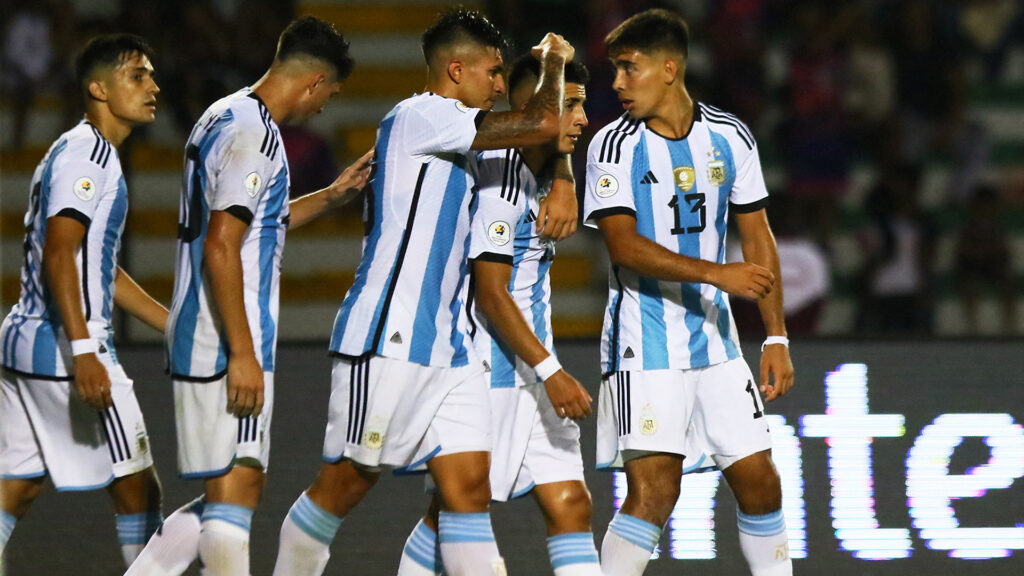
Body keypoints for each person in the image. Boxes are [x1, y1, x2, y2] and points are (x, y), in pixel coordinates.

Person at [271, 9, 578, 576]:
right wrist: (555, 61)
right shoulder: (422, 115)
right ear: (456, 70)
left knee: (468, 491)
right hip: (389, 334)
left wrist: (563, 177)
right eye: (492, 72)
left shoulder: (464, 137)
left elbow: (541, 143)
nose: (498, 85)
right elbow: (540, 124)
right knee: (344, 485)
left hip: (450, 349)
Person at [125, 16, 372, 576]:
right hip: (224, 337)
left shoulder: (224, 113)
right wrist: (242, 352)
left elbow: (257, 223)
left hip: (204, 330)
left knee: (230, 489)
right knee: (235, 493)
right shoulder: (255, 135)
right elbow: (221, 244)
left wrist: (330, 196)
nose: (324, 108)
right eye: (329, 95)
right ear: (314, 82)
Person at [582, 9, 795, 576]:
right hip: (644, 342)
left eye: (629, 67)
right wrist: (716, 274)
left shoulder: (729, 136)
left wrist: (776, 335)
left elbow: (758, 235)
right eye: (615, 69)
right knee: (655, 493)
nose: (617, 82)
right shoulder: (612, 146)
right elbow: (623, 246)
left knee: (761, 482)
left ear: (669, 68)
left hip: (717, 345)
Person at [394, 54, 598, 576]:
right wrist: (552, 372)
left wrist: (565, 174)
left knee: (572, 505)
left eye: (582, 105)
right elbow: (489, 293)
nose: (582, 118)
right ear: (534, 108)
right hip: (492, 370)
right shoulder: (499, 179)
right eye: (570, 105)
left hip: (533, 365)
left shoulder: (544, 166)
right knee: (454, 510)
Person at [0, 34, 166, 569]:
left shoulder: (77, 149)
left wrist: (171, 324)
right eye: (137, 76)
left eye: (151, 75)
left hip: (26, 343)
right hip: (65, 349)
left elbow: (97, 267)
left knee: (17, 488)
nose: (153, 87)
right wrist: (82, 351)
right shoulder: (88, 155)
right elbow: (60, 253)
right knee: (138, 491)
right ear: (99, 89)